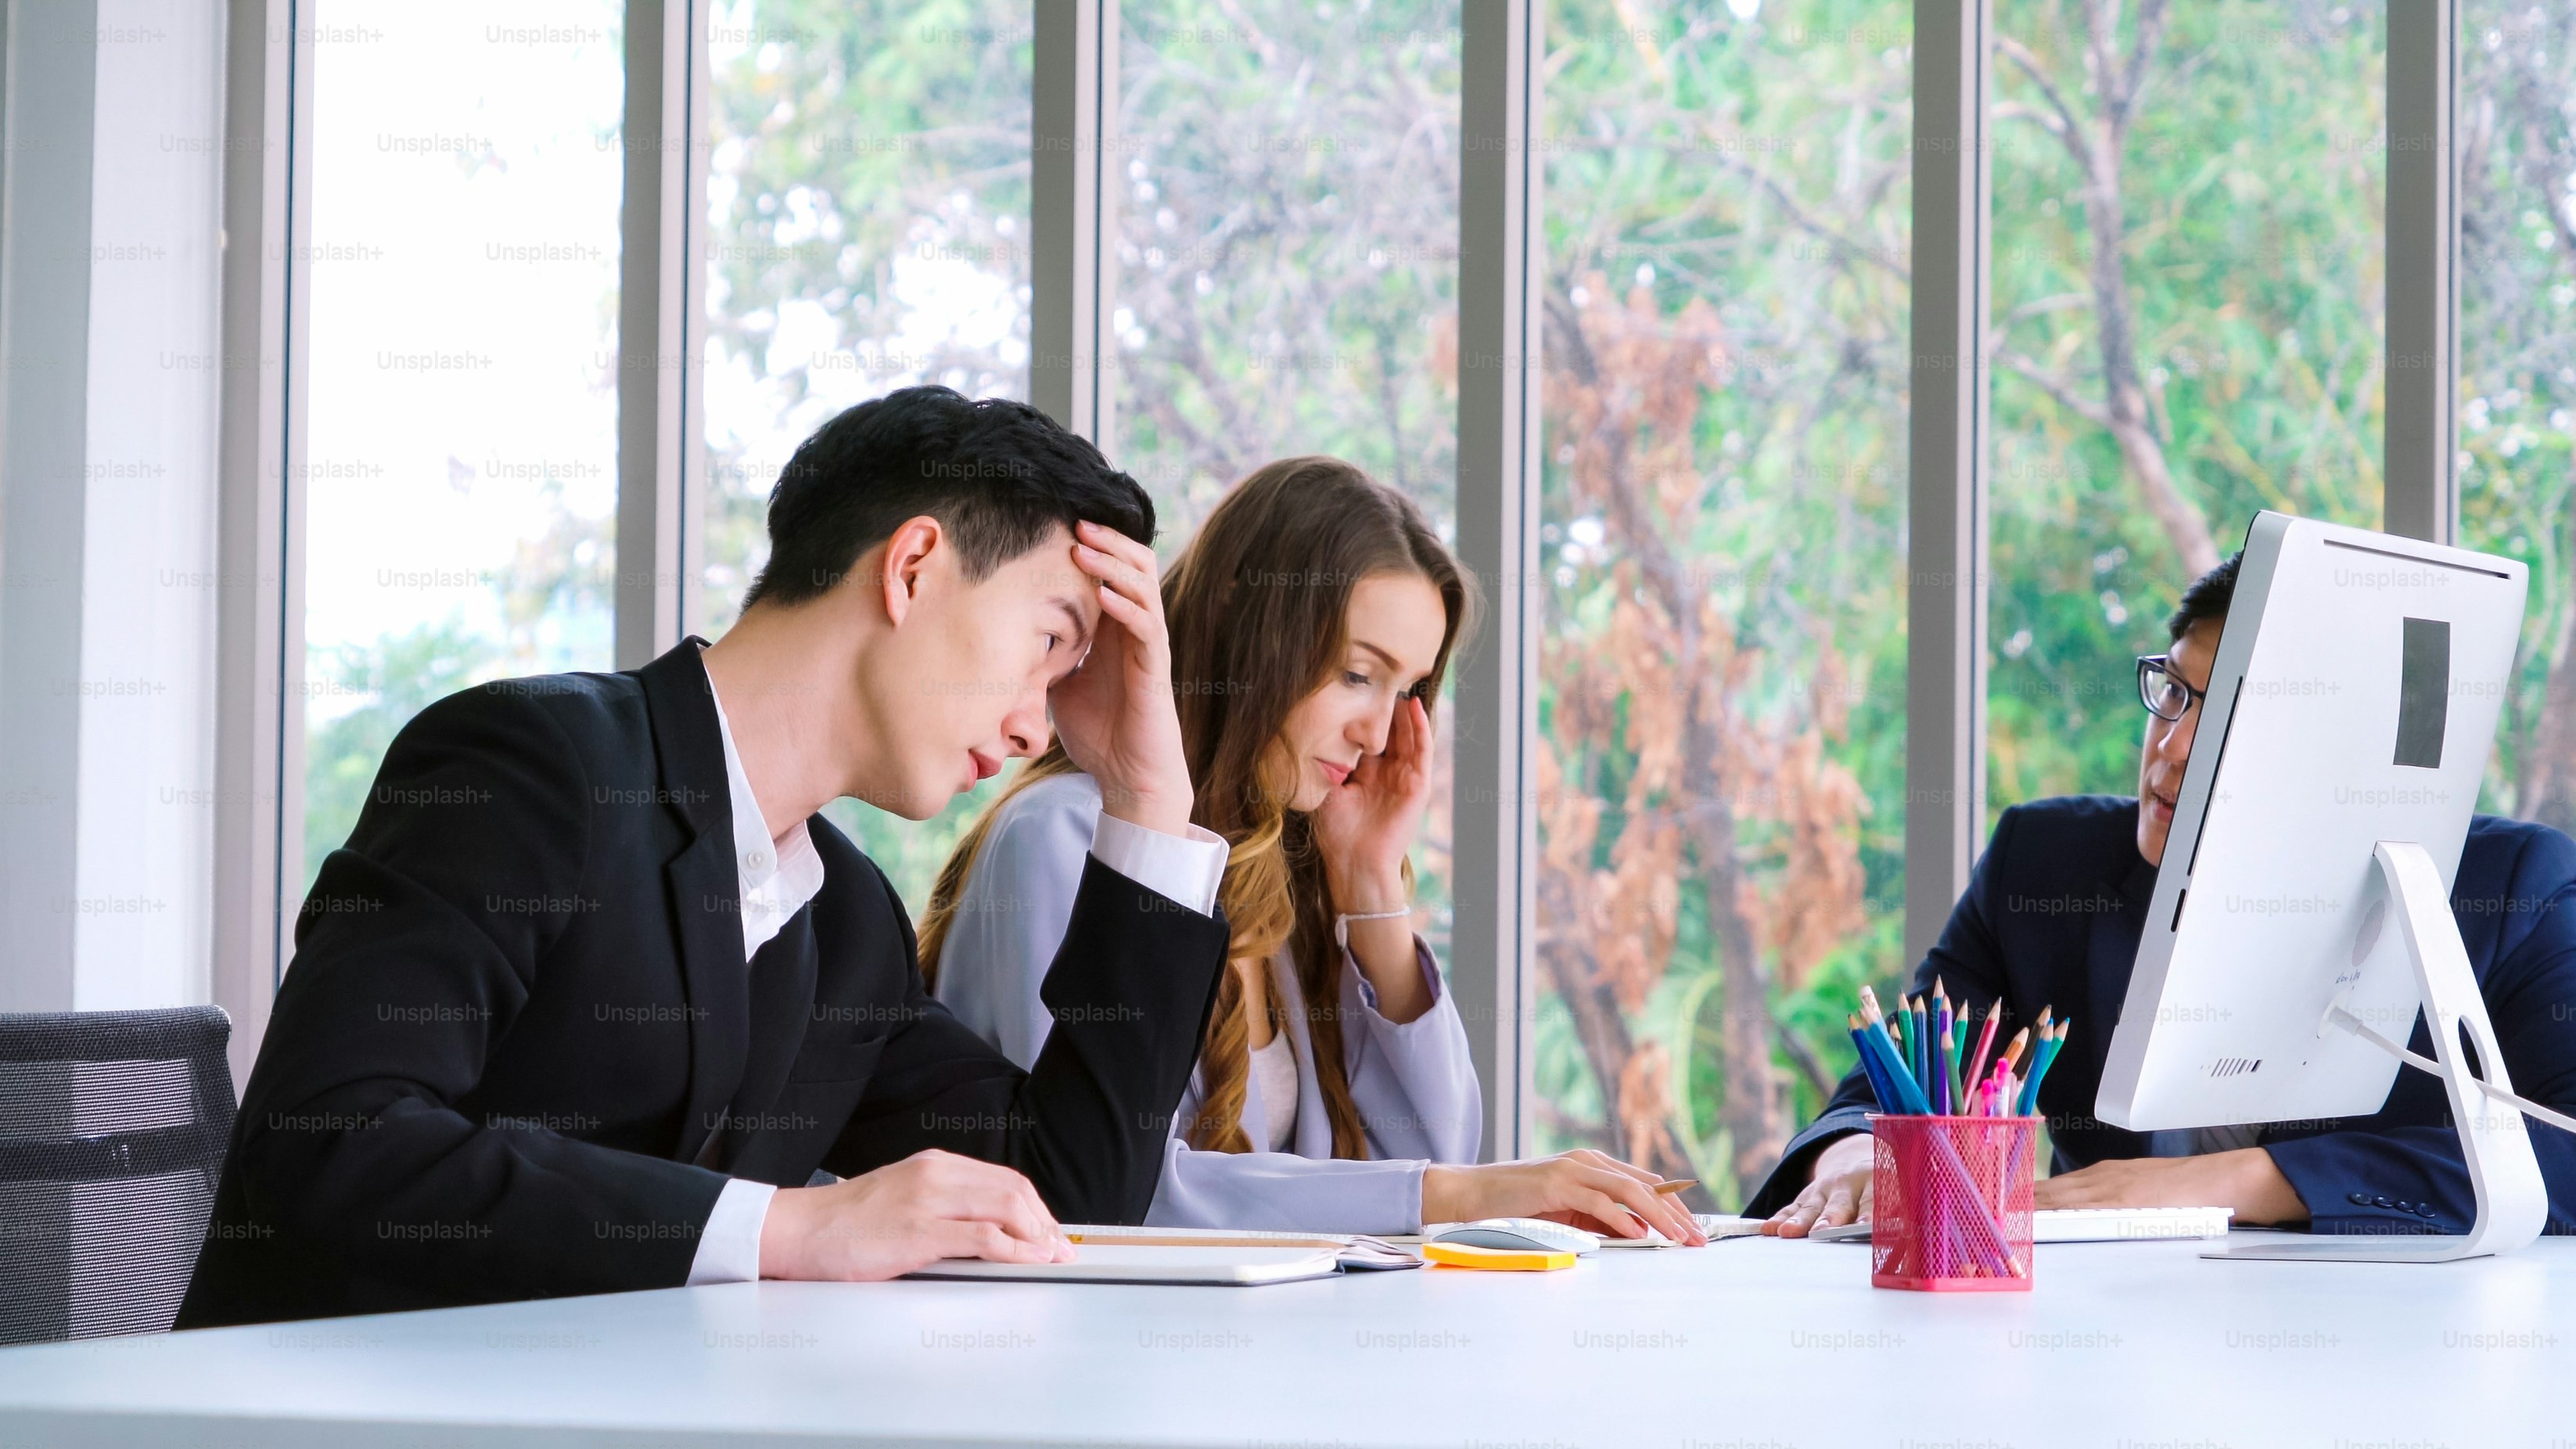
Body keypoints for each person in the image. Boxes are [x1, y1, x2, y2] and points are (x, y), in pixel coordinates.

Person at [179, 387, 1237, 1327]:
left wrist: (1147, 800)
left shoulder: (843, 917)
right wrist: (787, 1230)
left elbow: (1062, 1195)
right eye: (1049, 645)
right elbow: (329, 1146)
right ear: (913, 567)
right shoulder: (531, 769)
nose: (1032, 730)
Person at [921, 458, 1706, 1244]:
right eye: (1355, 673)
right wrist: (1469, 1194)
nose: (1375, 733)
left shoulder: (1280, 867)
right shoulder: (1062, 837)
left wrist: (1368, 881)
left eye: (1403, 691)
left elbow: (1424, 1156)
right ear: (1242, 624)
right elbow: (1096, 1193)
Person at [1754, 552, 2576, 1237]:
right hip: (2114, 1354)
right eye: (2173, 693)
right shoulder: (2043, 869)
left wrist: (2225, 1183)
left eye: (2224, 722)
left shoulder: (2511, 893)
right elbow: (1898, 1079)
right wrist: (1861, 1155)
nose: (2170, 749)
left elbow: (2563, 1155)